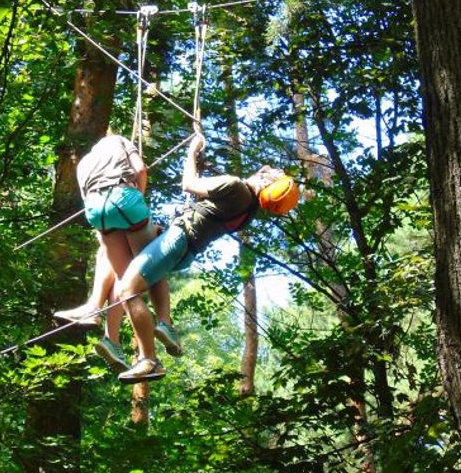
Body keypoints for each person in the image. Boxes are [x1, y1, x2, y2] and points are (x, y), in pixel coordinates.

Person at [107, 132, 299, 383]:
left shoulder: (235, 186)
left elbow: (188, 183)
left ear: (264, 181)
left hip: (178, 240)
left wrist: (191, 150)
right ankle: (166, 325)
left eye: (268, 170)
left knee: (127, 290)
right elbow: (206, 204)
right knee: (147, 267)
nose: (264, 169)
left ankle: (149, 360)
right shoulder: (248, 209)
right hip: (185, 250)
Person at [51, 133, 177, 371]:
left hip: (96, 210)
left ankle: (111, 337)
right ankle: (163, 324)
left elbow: (88, 198)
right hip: (123, 198)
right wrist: (137, 199)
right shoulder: (119, 141)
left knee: (125, 285)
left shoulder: (85, 162)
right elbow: (140, 170)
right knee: (151, 267)